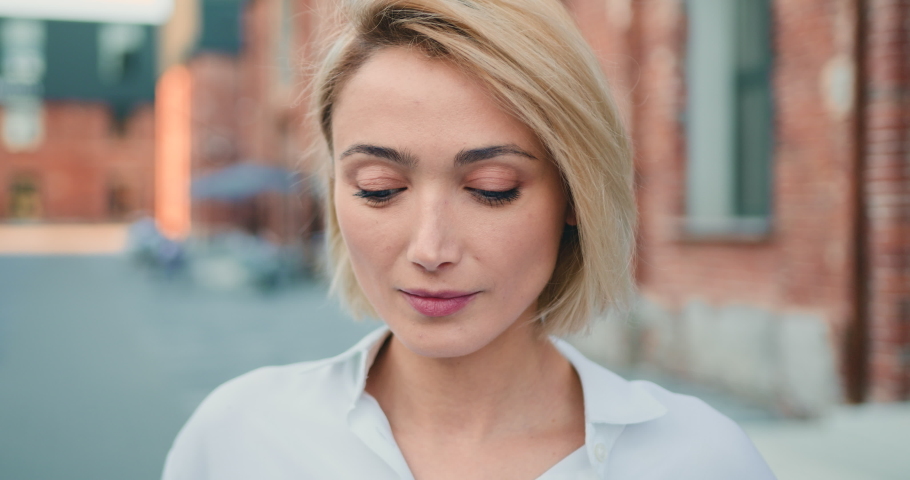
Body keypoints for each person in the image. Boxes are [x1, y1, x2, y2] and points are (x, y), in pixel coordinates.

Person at [161, 0, 776, 478]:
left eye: (491, 187)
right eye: (379, 189)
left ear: (574, 195)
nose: (431, 250)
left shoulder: (699, 462)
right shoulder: (239, 438)